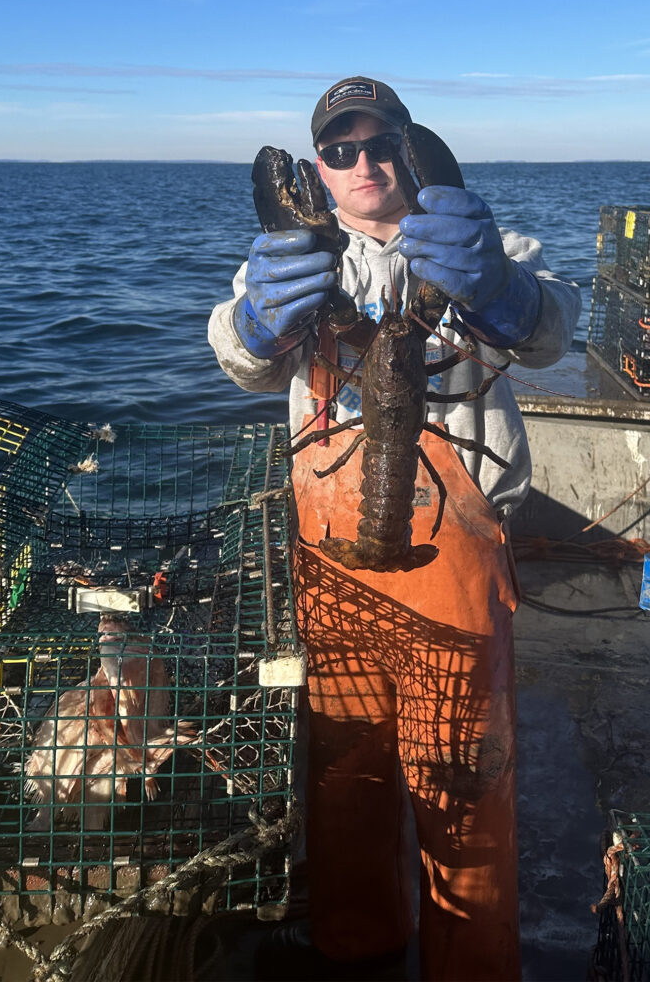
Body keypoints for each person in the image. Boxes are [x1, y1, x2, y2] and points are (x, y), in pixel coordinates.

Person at [209, 76, 580, 981]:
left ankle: (471, 966)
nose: (365, 163)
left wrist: (502, 290)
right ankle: (356, 947)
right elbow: (237, 354)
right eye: (341, 150)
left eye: (383, 144)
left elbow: (551, 330)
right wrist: (257, 321)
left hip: (451, 566)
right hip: (332, 567)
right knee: (345, 771)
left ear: (411, 149)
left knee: (462, 781)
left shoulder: (488, 245)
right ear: (318, 172)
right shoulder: (297, 261)